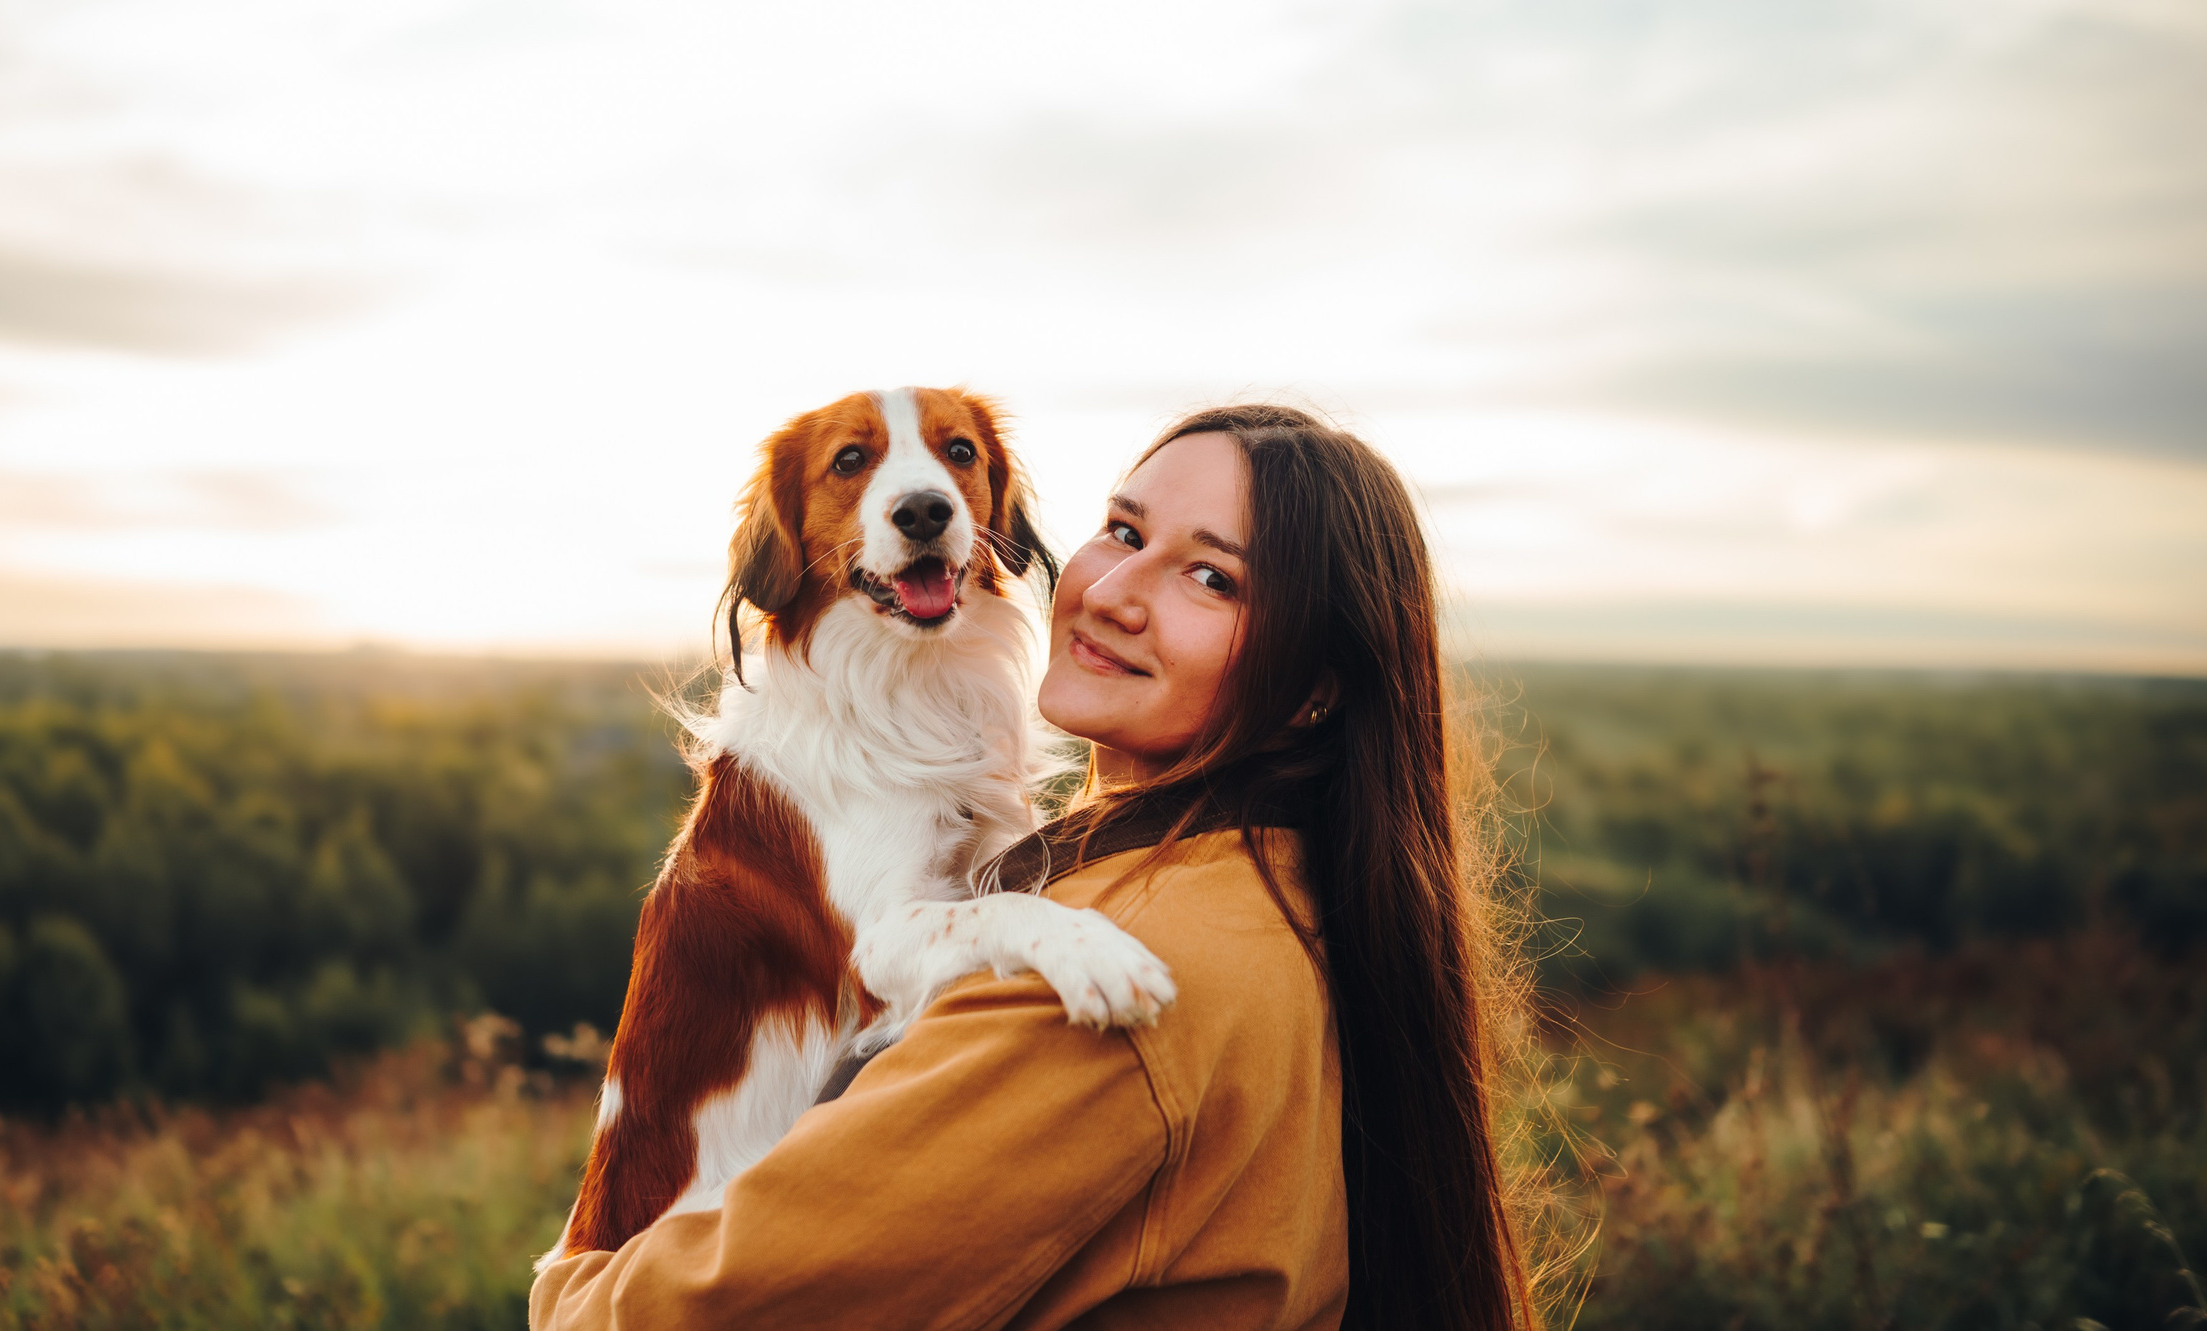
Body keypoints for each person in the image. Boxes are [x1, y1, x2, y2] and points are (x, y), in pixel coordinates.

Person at [532, 404, 1545, 1331]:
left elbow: (715, 1313)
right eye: (1125, 530)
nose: (1112, 591)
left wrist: (567, 1289)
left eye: (1211, 578)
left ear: (1314, 686)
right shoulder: (1271, 893)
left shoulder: (1100, 990)